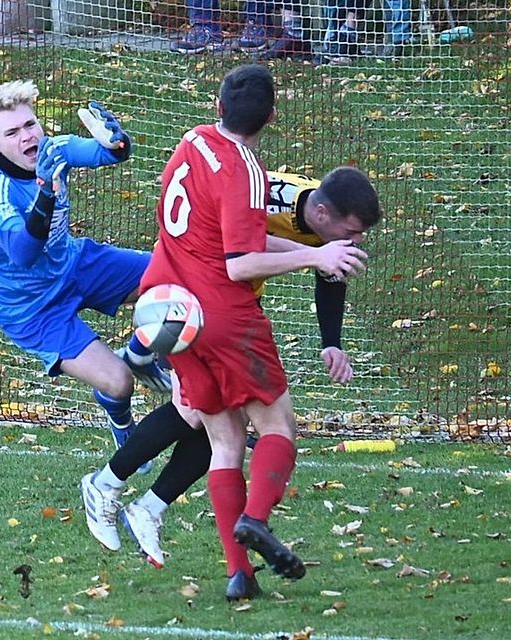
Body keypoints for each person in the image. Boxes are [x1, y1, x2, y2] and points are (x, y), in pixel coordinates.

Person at [80, 167, 382, 588]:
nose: (355, 240)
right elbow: (237, 242)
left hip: (220, 305)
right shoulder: (263, 195)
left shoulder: (324, 226)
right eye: (350, 231)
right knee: (200, 414)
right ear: (322, 212)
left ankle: (173, 524)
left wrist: (332, 340)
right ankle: (109, 485)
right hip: (190, 300)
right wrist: (309, 253)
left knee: (218, 426)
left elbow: (330, 274)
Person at [142, 64, 368, 600]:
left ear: (218, 106)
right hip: (222, 313)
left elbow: (214, 228)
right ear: (271, 116)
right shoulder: (246, 174)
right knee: (279, 426)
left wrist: (315, 253)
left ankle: (239, 574)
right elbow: (241, 262)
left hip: (173, 312)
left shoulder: (192, 141)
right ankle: (258, 519)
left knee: (225, 440)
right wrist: (314, 254)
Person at [0, 80, 171, 468]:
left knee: (175, 275)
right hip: (28, 306)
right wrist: (45, 190)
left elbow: (109, 154)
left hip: (73, 264)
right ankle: (120, 420)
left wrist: (117, 141)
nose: (27, 136)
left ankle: (160, 368)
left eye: (30, 125)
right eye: (12, 132)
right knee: (118, 383)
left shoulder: (53, 150)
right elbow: (24, 253)